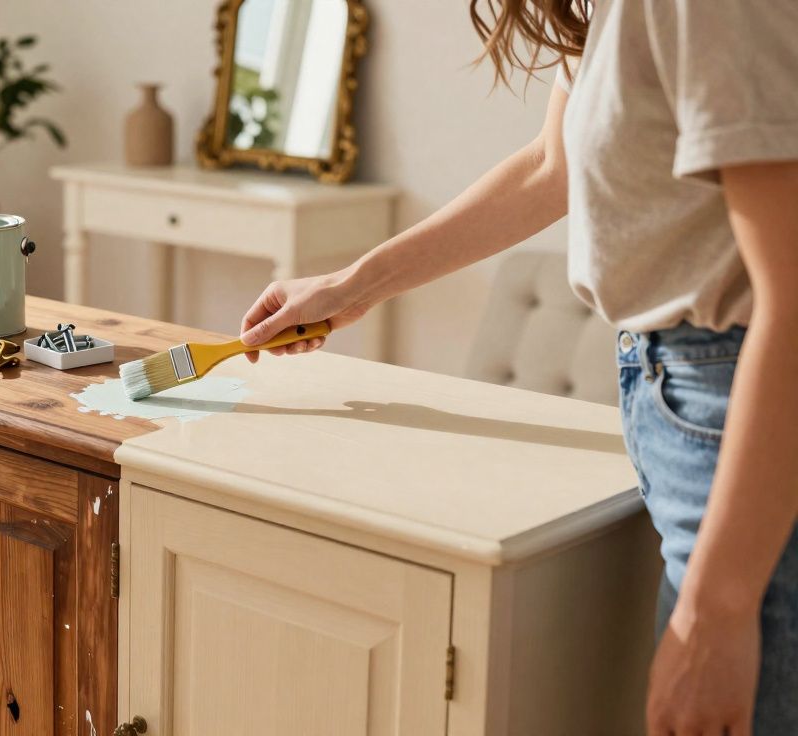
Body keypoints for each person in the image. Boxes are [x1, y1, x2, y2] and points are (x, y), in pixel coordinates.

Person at [238, 2, 798, 733]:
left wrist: (715, 614)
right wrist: (349, 287)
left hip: (737, 404)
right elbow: (550, 165)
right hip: (676, 395)